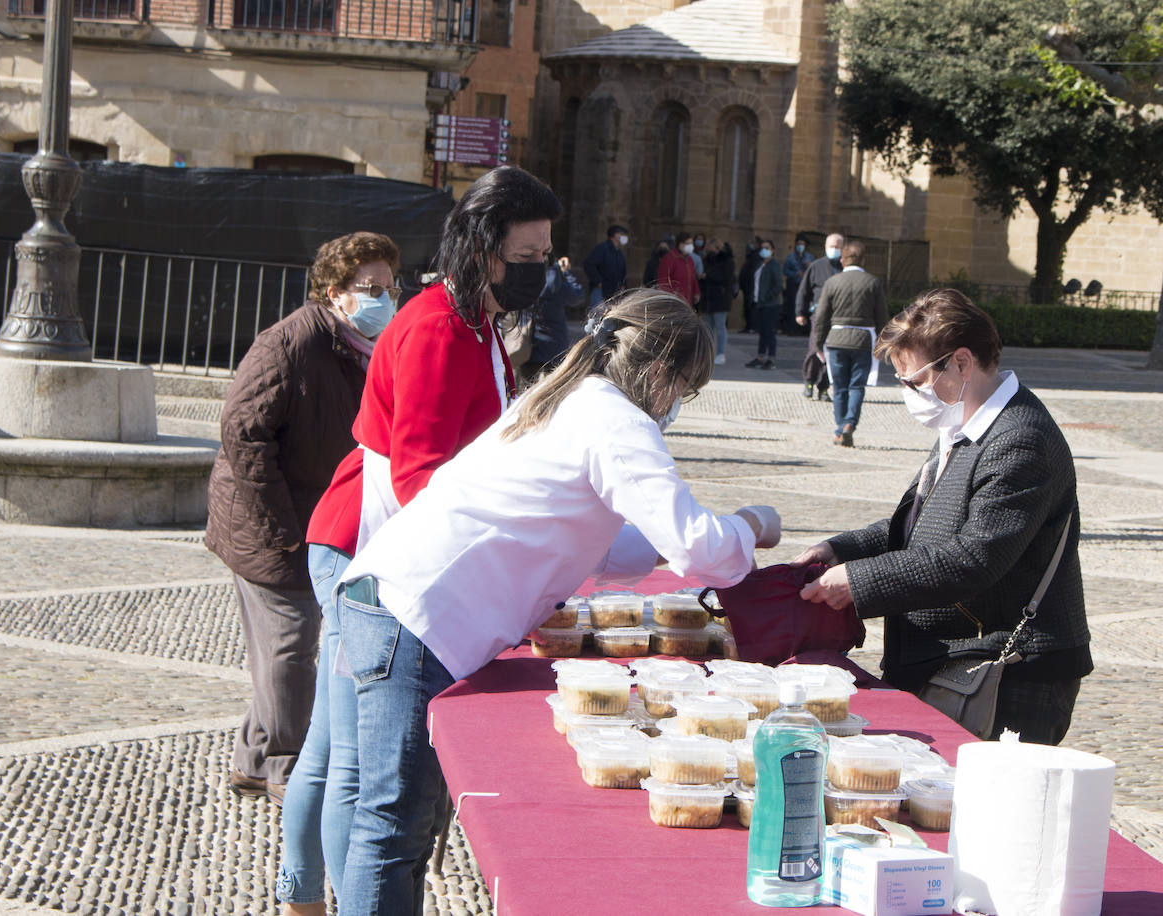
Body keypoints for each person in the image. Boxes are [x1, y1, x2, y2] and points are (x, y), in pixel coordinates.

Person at [335, 290, 781, 913]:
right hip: (416, 616)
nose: (681, 401)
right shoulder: (614, 418)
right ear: (659, 374)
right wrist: (752, 525)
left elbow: (585, 536)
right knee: (392, 827)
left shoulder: (568, 395)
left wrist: (657, 546)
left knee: (397, 823)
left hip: (401, 604)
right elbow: (699, 550)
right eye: (688, 384)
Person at [277, 167, 561, 916]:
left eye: (546, 257)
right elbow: (420, 476)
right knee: (350, 769)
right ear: (482, 251)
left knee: (338, 752)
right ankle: (315, 896)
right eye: (527, 257)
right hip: (365, 546)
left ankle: (304, 893)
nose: (540, 271)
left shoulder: (477, 322)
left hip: (382, 547)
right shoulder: (440, 325)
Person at [795, 288, 1091, 745]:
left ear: (961, 363)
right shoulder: (965, 423)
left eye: (912, 381)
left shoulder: (1020, 438)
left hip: (1010, 674)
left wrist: (858, 580)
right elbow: (918, 525)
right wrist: (840, 549)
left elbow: (973, 558)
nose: (909, 394)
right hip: (953, 659)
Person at [206, 231, 400, 812]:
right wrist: (281, 527)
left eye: (392, 287)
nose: (386, 300)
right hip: (273, 520)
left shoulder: (361, 345)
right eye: (373, 289)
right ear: (335, 292)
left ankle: (251, 758)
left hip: (318, 517)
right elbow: (243, 432)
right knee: (291, 646)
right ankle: (287, 766)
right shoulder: (289, 342)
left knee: (281, 650)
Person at [811, 239, 888, 447]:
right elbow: (882, 317)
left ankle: (839, 428)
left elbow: (821, 316)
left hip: (836, 339)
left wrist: (818, 344)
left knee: (840, 387)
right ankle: (849, 425)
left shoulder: (832, 282)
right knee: (856, 386)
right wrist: (882, 343)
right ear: (863, 260)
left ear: (842, 261)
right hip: (862, 340)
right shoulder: (872, 282)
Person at [795, 233, 843, 400]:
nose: (834, 250)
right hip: (818, 316)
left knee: (830, 354)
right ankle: (808, 382)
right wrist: (800, 312)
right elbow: (804, 291)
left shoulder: (845, 267)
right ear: (825, 247)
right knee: (815, 350)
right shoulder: (816, 266)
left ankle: (823, 387)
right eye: (832, 246)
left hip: (838, 318)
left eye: (838, 247)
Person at [522, 255, 584, 382]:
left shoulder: (526, 283)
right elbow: (578, 295)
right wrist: (566, 272)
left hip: (529, 349)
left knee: (527, 392)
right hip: (555, 349)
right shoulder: (558, 287)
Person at [746, 239, 782, 369]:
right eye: (763, 248)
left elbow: (778, 285)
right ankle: (760, 357)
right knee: (762, 332)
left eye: (767, 248)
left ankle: (771, 358)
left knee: (769, 332)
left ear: (772, 250)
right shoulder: (760, 264)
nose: (764, 250)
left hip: (770, 304)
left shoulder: (774, 265)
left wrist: (766, 297)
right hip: (759, 304)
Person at [700, 239, 736, 365]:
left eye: (710, 246)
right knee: (708, 328)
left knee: (720, 326)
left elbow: (726, 278)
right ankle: (709, 353)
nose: (708, 249)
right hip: (708, 297)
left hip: (721, 298)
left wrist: (708, 276)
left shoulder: (727, 261)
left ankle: (721, 353)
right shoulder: (707, 260)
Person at [582, 224, 628, 309]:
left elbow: (622, 272)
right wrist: (598, 281)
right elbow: (588, 264)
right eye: (622, 234)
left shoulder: (619, 253)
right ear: (615, 235)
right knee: (597, 317)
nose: (624, 237)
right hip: (600, 291)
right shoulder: (602, 248)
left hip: (614, 293)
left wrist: (622, 285)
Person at [657, 231, 700, 306]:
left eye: (691, 243)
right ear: (680, 244)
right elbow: (663, 280)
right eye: (687, 243)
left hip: (688, 300)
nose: (690, 246)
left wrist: (696, 292)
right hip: (674, 301)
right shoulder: (670, 258)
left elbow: (693, 277)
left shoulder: (690, 260)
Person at [782, 235, 814, 334]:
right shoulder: (790, 257)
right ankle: (792, 328)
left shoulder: (809, 257)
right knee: (792, 306)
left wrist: (809, 266)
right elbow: (785, 270)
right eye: (799, 244)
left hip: (805, 285)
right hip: (794, 285)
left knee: (806, 306)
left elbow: (814, 270)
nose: (801, 246)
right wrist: (796, 274)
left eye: (803, 244)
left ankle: (804, 329)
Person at [737, 234, 764, 333]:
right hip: (747, 285)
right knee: (747, 306)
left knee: (751, 306)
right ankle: (749, 326)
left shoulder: (756, 255)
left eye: (752, 242)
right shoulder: (751, 254)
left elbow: (753, 271)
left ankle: (752, 326)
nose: (750, 244)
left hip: (751, 285)